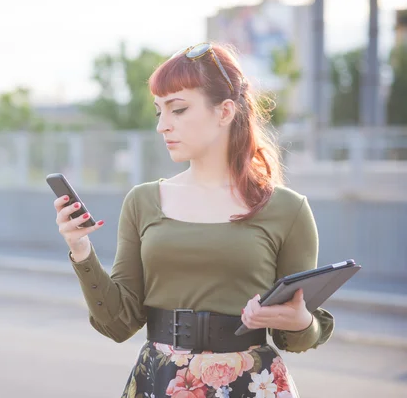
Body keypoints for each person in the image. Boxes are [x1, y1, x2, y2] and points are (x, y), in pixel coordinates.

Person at [52, 42, 334, 398]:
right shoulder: (142, 202)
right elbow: (119, 323)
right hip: (162, 381)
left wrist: (301, 322)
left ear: (225, 111)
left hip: (252, 384)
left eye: (178, 109)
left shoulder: (287, 210)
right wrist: (80, 248)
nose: (162, 126)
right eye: (159, 112)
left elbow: (296, 335)